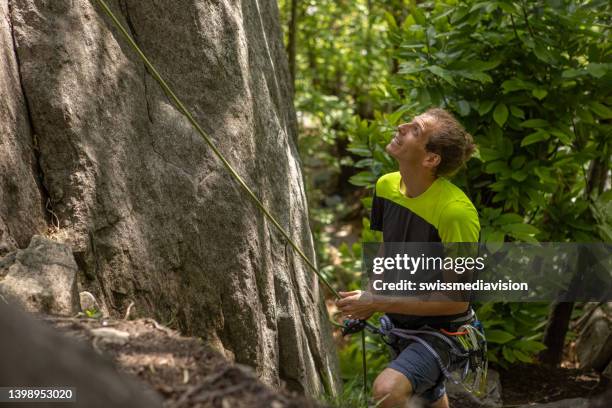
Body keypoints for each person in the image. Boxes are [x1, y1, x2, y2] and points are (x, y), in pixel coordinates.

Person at [336, 108, 480, 408]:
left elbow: (457, 300)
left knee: (388, 389)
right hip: (403, 323)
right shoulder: (386, 186)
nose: (401, 126)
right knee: (429, 395)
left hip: (445, 330)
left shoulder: (456, 213)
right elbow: (390, 251)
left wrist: (377, 302)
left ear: (431, 158)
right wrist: (370, 297)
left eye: (415, 129)